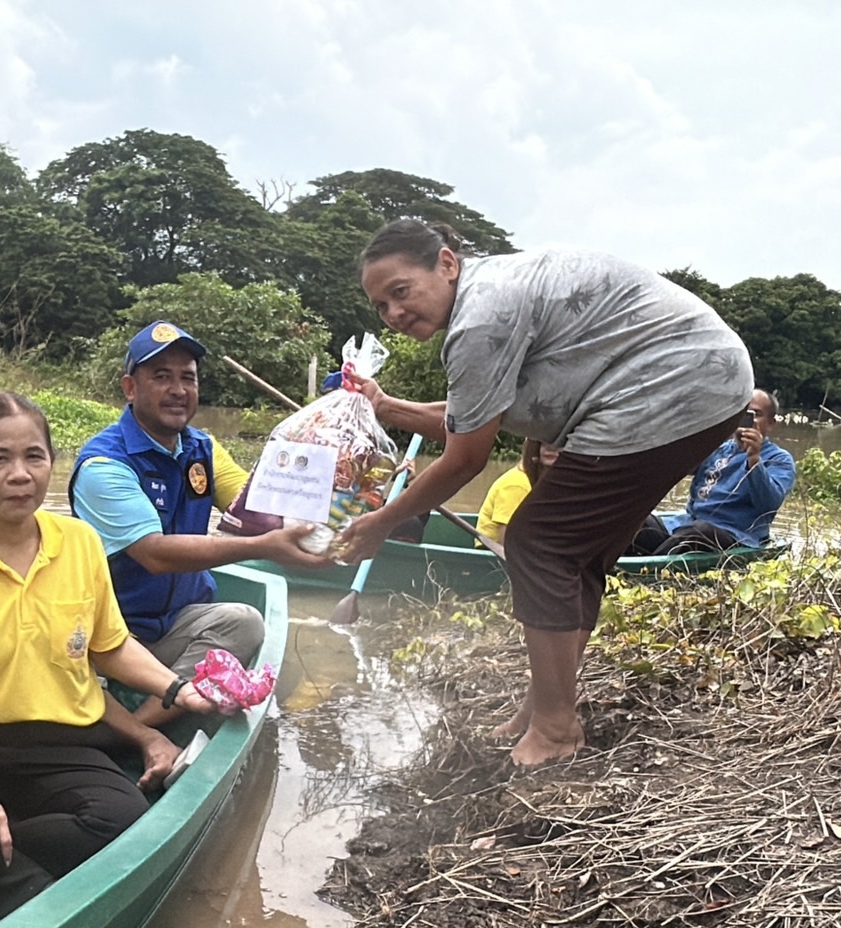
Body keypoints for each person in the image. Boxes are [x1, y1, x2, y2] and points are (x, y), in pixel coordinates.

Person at [333, 219, 755, 767]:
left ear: (447, 264)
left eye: (400, 291)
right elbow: (472, 417)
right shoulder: (491, 296)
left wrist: (383, 520)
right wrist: (385, 406)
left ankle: (556, 730)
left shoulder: (479, 321)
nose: (394, 313)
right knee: (574, 555)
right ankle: (543, 710)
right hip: (703, 380)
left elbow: (465, 459)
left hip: (676, 383)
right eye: (380, 306)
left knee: (541, 542)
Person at [0, 391, 217, 879]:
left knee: (123, 822)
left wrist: (178, 688)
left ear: (52, 463)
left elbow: (110, 646)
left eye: (34, 457)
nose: (20, 474)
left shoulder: (79, 543)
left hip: (66, 743)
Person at [70, 322, 329, 726]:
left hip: (180, 621)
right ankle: (138, 732)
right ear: (130, 388)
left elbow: (263, 510)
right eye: (161, 377)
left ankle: (140, 725)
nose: (178, 390)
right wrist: (262, 547)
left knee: (244, 622)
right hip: (117, 633)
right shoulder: (104, 465)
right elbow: (154, 554)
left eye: (187, 378)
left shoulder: (202, 449)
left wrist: (349, 486)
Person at [631, 389, 795, 554]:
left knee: (697, 533)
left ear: (771, 423)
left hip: (734, 533)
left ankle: (650, 566)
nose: (747, 419)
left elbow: (769, 504)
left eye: (756, 414)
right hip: (687, 523)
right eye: (742, 413)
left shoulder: (779, 459)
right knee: (633, 521)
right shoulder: (718, 447)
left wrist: (753, 459)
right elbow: (677, 467)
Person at [476, 443, 561, 546]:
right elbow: (506, 541)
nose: (551, 446)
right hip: (493, 550)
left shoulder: (544, 482)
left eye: (562, 442)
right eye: (543, 441)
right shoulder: (517, 484)